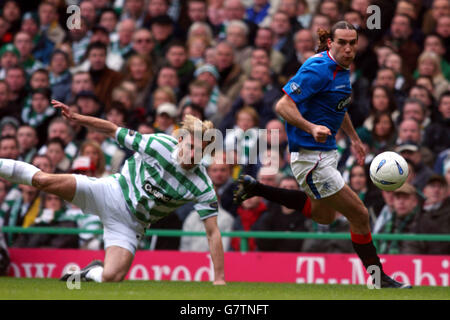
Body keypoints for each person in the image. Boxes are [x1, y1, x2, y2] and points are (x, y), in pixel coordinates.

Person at [234, 21, 411, 288]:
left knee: (325, 217)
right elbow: (282, 105)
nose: (348, 48)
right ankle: (379, 278)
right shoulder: (318, 70)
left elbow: (338, 106)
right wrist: (310, 126)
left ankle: (257, 187)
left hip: (325, 152)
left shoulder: (342, 68)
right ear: (331, 43)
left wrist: (353, 138)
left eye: (353, 43)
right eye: (342, 42)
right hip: (310, 157)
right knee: (360, 215)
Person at [0, 100, 225, 285]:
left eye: (200, 150)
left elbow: (213, 233)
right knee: (43, 180)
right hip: (109, 192)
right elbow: (112, 129)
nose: (193, 154)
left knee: (111, 277)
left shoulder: (202, 185)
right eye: (191, 147)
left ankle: (89, 272)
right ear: (181, 142)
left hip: (131, 224)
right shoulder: (157, 144)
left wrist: (219, 278)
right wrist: (78, 118)